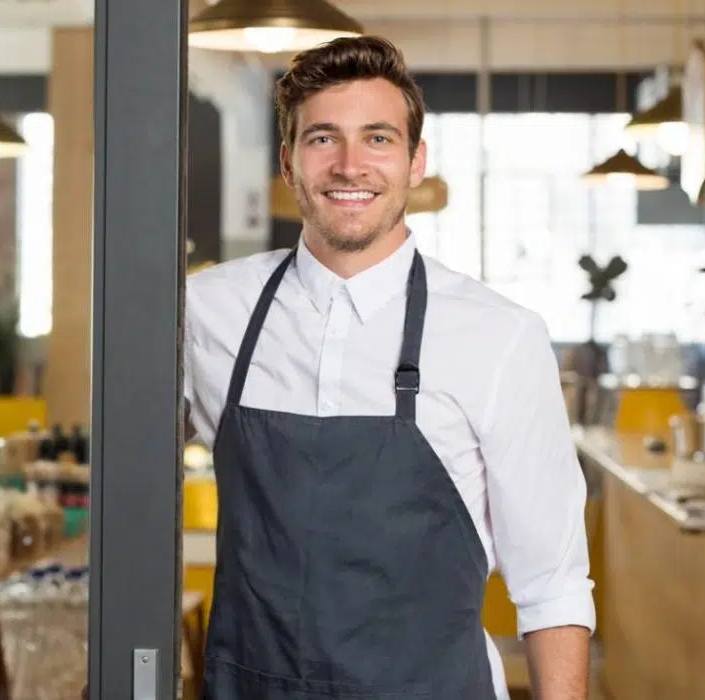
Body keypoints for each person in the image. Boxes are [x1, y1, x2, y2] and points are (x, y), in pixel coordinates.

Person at [184, 36, 595, 700]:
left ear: (415, 161)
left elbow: (551, 581)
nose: (350, 165)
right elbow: (132, 458)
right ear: (289, 163)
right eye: (323, 139)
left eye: (377, 139)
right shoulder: (206, 312)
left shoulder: (500, 336)